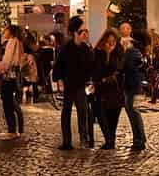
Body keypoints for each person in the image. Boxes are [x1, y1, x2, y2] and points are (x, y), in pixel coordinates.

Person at [53, 16, 93, 150]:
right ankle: (66, 141)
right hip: (69, 85)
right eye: (83, 31)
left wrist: (90, 81)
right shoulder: (66, 48)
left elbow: (90, 67)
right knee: (66, 113)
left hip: (81, 85)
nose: (86, 34)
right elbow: (59, 66)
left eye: (86, 31)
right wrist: (59, 80)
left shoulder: (86, 48)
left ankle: (84, 140)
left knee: (83, 112)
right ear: (75, 32)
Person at [91, 29, 123, 150]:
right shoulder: (98, 52)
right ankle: (108, 139)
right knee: (101, 114)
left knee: (113, 115)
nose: (111, 44)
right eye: (109, 41)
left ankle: (111, 139)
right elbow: (97, 70)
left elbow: (119, 69)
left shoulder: (119, 52)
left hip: (115, 89)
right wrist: (107, 54)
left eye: (113, 42)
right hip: (101, 89)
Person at [0, 24, 25, 140]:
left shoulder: (12, 42)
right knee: (10, 102)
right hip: (11, 76)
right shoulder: (16, 42)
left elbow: (8, 62)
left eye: (5, 30)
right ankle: (16, 129)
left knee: (8, 103)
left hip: (9, 77)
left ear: (10, 32)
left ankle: (12, 130)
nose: (3, 31)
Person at [118, 22, 146, 150]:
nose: (125, 30)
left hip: (133, 82)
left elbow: (136, 64)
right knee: (130, 109)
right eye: (123, 28)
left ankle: (139, 139)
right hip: (126, 83)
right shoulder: (118, 44)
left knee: (134, 110)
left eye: (127, 27)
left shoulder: (135, 46)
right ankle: (138, 138)